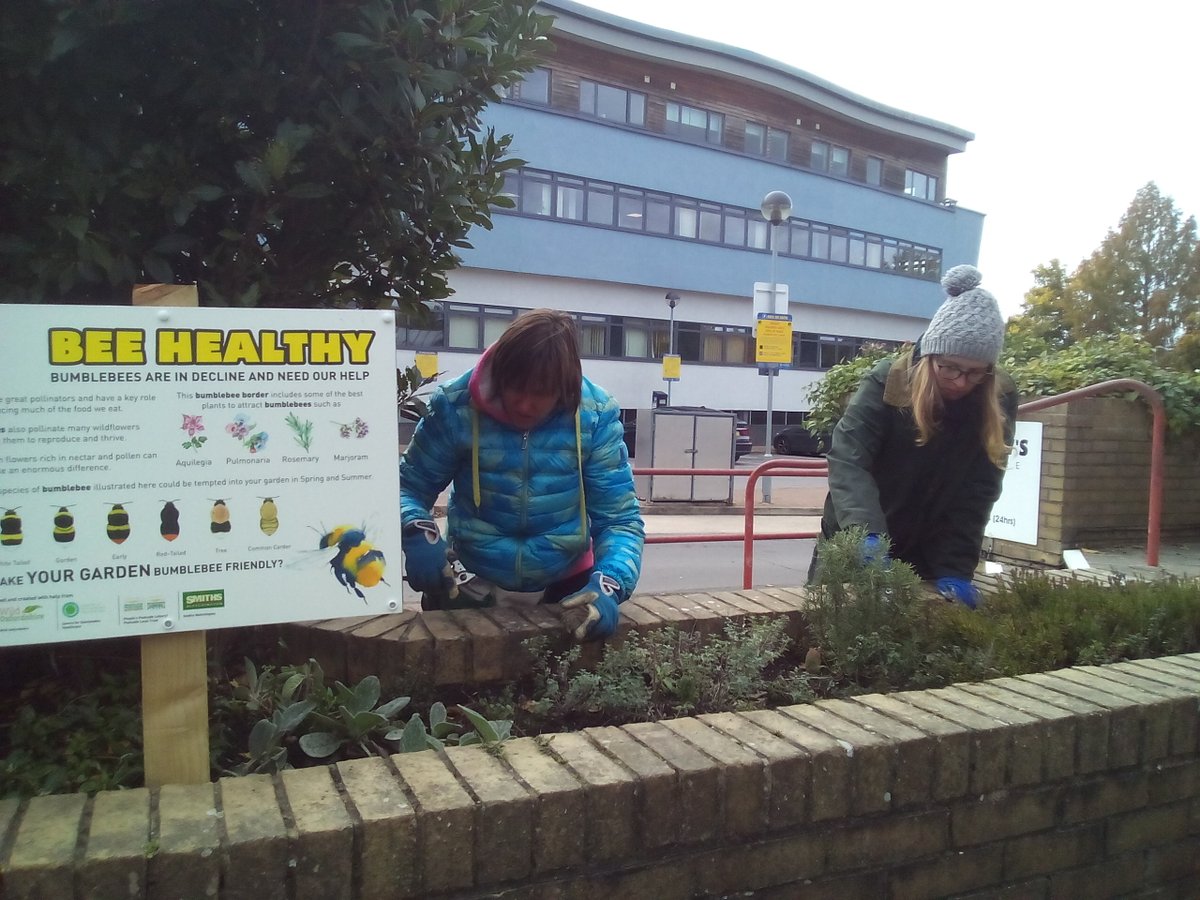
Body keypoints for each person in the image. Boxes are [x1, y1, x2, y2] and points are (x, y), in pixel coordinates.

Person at [399, 308, 644, 641]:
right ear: (501, 371)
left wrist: (609, 583)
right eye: (515, 387)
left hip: (565, 590)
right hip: (467, 585)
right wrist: (416, 529)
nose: (525, 405)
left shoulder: (595, 415)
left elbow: (619, 519)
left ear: (565, 386)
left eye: (541, 393)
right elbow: (408, 488)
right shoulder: (455, 406)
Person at [811, 264, 1017, 608]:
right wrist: (866, 533)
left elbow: (979, 487)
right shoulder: (886, 382)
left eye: (975, 372)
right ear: (930, 356)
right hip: (855, 540)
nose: (961, 381)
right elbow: (849, 459)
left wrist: (955, 567)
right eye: (950, 367)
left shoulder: (999, 396)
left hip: (928, 552)